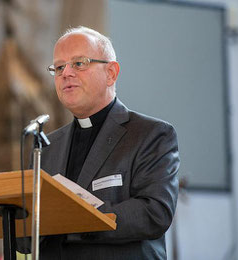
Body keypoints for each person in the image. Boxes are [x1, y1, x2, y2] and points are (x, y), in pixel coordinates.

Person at [20, 26, 180, 259]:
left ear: (111, 73)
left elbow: (154, 212)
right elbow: (27, 233)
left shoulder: (150, 134)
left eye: (79, 63)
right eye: (59, 67)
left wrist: (76, 221)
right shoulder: (45, 146)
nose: (66, 73)